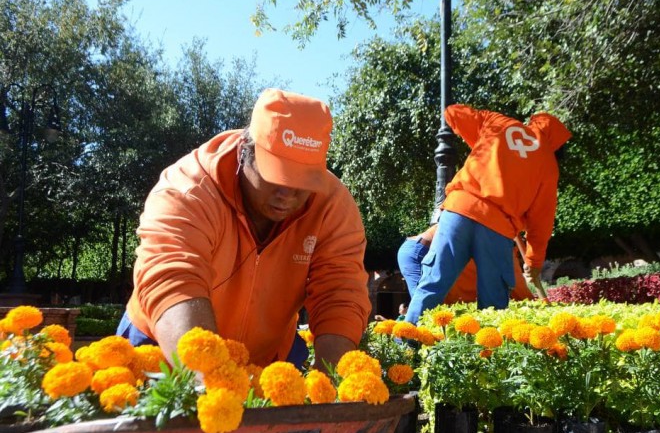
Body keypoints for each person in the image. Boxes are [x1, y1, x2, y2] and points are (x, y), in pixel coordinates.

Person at [116, 88, 371, 369]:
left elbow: (340, 292)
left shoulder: (332, 205)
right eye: (275, 175)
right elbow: (173, 279)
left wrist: (332, 390)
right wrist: (211, 384)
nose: (287, 194)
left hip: (267, 356)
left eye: (303, 181)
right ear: (245, 151)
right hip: (164, 340)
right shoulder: (188, 188)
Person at [405, 104, 571, 324]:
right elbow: (541, 221)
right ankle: (486, 356)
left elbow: (453, 112)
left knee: (432, 284)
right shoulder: (549, 164)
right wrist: (533, 261)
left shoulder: (499, 123)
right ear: (557, 144)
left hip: (458, 212)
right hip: (497, 228)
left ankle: (405, 347)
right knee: (493, 302)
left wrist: (485, 145)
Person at [397, 224, 537, 304]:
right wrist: (535, 304)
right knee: (425, 308)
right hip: (419, 251)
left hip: (417, 249)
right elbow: (519, 287)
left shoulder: (489, 235)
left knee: (433, 308)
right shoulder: (501, 245)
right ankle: (405, 347)